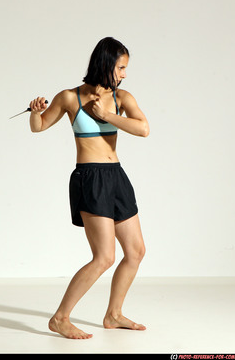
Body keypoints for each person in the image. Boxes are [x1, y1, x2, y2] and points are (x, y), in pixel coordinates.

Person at [27, 37, 149, 339]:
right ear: (105, 64)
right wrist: (33, 110)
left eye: (125, 68)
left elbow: (143, 129)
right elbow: (39, 126)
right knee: (104, 257)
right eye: (120, 67)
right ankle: (60, 318)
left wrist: (106, 115)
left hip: (116, 176)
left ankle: (114, 314)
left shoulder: (123, 99)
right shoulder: (71, 97)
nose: (123, 74)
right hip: (90, 177)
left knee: (135, 251)